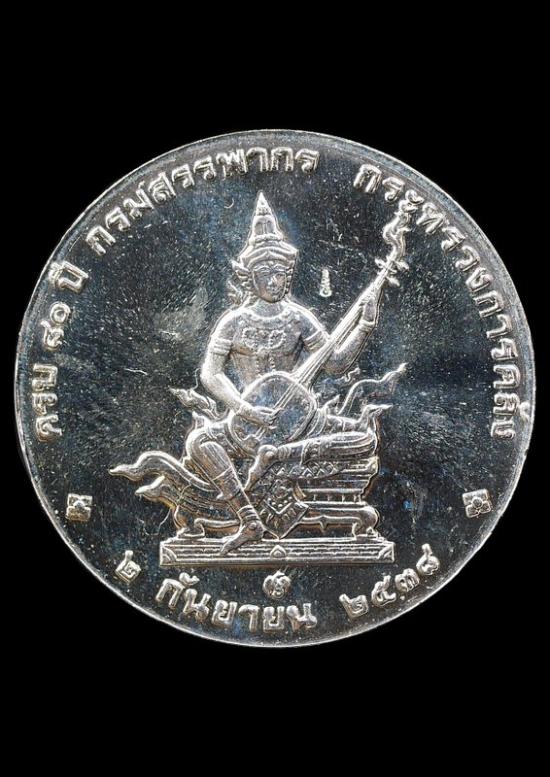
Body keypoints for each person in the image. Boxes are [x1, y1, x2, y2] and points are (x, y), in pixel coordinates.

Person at [185, 192, 382, 553]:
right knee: (199, 442)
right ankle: (248, 520)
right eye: (266, 274)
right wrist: (245, 409)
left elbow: (336, 363)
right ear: (250, 277)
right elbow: (211, 374)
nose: (274, 281)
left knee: (366, 439)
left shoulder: (299, 319)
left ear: (289, 275)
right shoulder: (234, 322)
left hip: (302, 421)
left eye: (280, 273)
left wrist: (364, 327)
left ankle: (278, 456)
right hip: (248, 424)